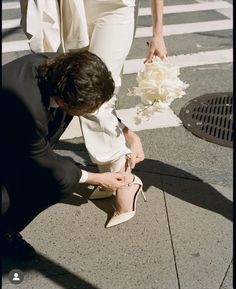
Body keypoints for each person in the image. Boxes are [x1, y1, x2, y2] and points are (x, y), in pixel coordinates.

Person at [19, 0, 167, 227]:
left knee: (98, 98)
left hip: (115, 6)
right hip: (71, 7)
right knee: (80, 89)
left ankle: (125, 180)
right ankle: (110, 173)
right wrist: (127, 132)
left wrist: (158, 33)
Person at [0, 51, 132, 259]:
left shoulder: (60, 68)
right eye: (90, 108)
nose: (94, 111)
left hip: (12, 143)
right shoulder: (29, 108)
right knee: (62, 179)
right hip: (11, 151)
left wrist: (128, 133)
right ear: (65, 102)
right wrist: (98, 178)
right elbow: (41, 159)